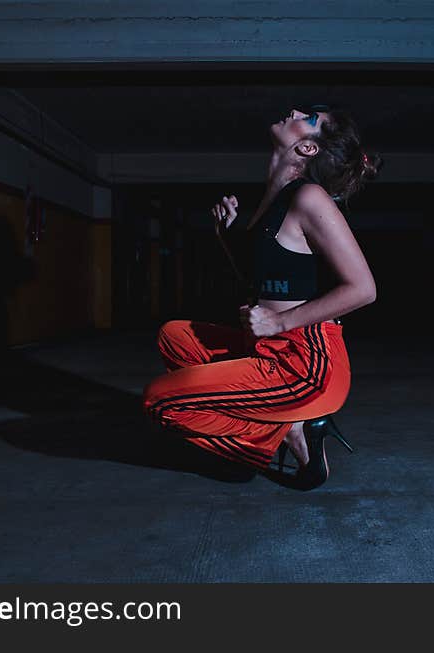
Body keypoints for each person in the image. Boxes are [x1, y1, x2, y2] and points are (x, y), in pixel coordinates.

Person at [143, 104, 381, 489]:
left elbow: (363, 289)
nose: (295, 110)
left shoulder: (310, 198)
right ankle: (289, 423)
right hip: (266, 345)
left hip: (305, 362)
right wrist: (227, 236)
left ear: (307, 149)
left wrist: (279, 322)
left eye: (309, 119)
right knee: (175, 336)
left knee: (161, 403)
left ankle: (276, 435)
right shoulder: (273, 202)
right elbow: (262, 284)